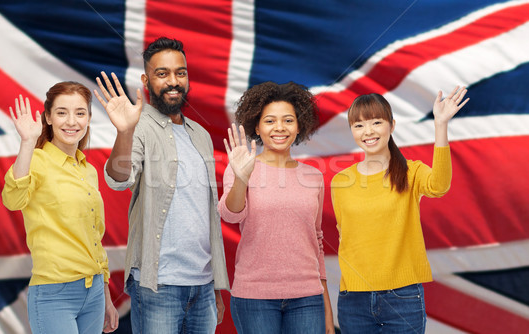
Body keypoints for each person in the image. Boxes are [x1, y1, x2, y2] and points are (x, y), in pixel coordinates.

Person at [94, 36, 229, 333]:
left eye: (180, 73)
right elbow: (119, 179)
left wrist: (216, 287)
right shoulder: (139, 127)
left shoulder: (201, 135)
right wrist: (125, 132)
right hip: (158, 285)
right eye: (162, 73)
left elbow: (206, 215)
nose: (173, 81)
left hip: (203, 287)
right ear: (146, 79)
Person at [331, 87, 469, 333]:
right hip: (354, 299)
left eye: (376, 122)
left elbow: (439, 185)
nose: (368, 132)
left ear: (391, 126)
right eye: (359, 125)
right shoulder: (341, 181)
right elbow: (346, 235)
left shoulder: (410, 172)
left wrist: (440, 125)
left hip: (402, 297)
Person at [1, 82, 119, 333]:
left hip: (95, 291)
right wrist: (27, 143)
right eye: (62, 112)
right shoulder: (37, 160)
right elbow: (13, 199)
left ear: (88, 118)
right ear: (48, 117)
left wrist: (106, 297)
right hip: (54, 292)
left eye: (80, 113)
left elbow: (94, 238)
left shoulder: (88, 170)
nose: (71, 121)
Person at [218, 81, 335, 334]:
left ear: (298, 126)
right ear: (257, 127)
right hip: (254, 297)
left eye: (288, 120)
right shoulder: (242, 167)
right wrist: (241, 177)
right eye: (270, 121)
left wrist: (326, 306)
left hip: (307, 298)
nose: (279, 128)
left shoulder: (313, 177)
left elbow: (317, 240)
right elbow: (229, 214)